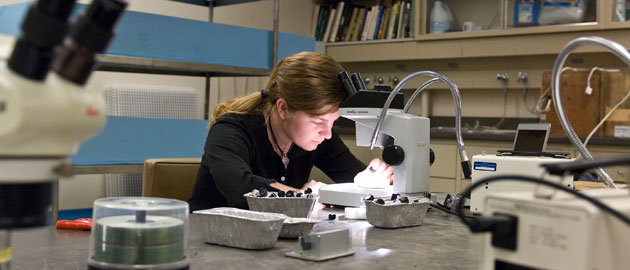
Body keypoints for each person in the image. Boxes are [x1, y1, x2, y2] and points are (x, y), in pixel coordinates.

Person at [187, 51, 393, 211]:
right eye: (318, 121)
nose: (328, 134)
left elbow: (351, 175)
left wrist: (370, 179)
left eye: (333, 122)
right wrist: (301, 198)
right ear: (283, 108)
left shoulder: (319, 136)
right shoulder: (230, 131)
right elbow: (239, 187)